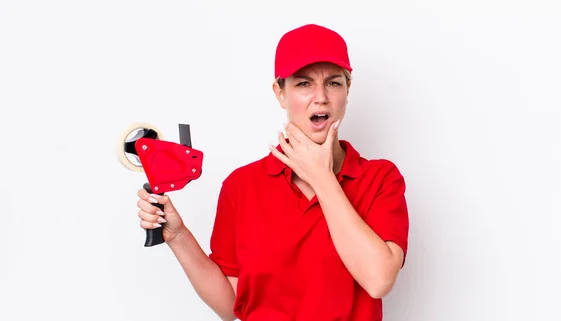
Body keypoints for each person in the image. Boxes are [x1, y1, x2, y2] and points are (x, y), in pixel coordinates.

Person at [135, 23, 410, 321]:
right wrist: (178, 236)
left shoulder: (380, 179)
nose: (320, 97)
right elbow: (232, 305)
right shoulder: (242, 186)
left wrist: (321, 177)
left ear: (347, 90)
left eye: (333, 83)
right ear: (280, 93)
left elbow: (379, 280)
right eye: (303, 84)